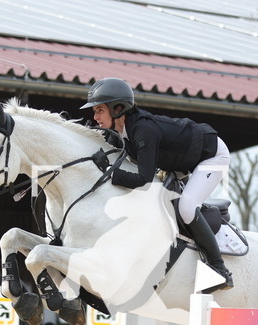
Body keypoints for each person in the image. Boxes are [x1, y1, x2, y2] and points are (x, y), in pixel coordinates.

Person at [81, 77, 233, 292]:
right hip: (181, 158)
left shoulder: (143, 130)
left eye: (98, 110)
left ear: (117, 108)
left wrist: (108, 171)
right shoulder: (125, 131)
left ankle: (219, 269)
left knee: (187, 207)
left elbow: (143, 179)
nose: (94, 117)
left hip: (210, 155)